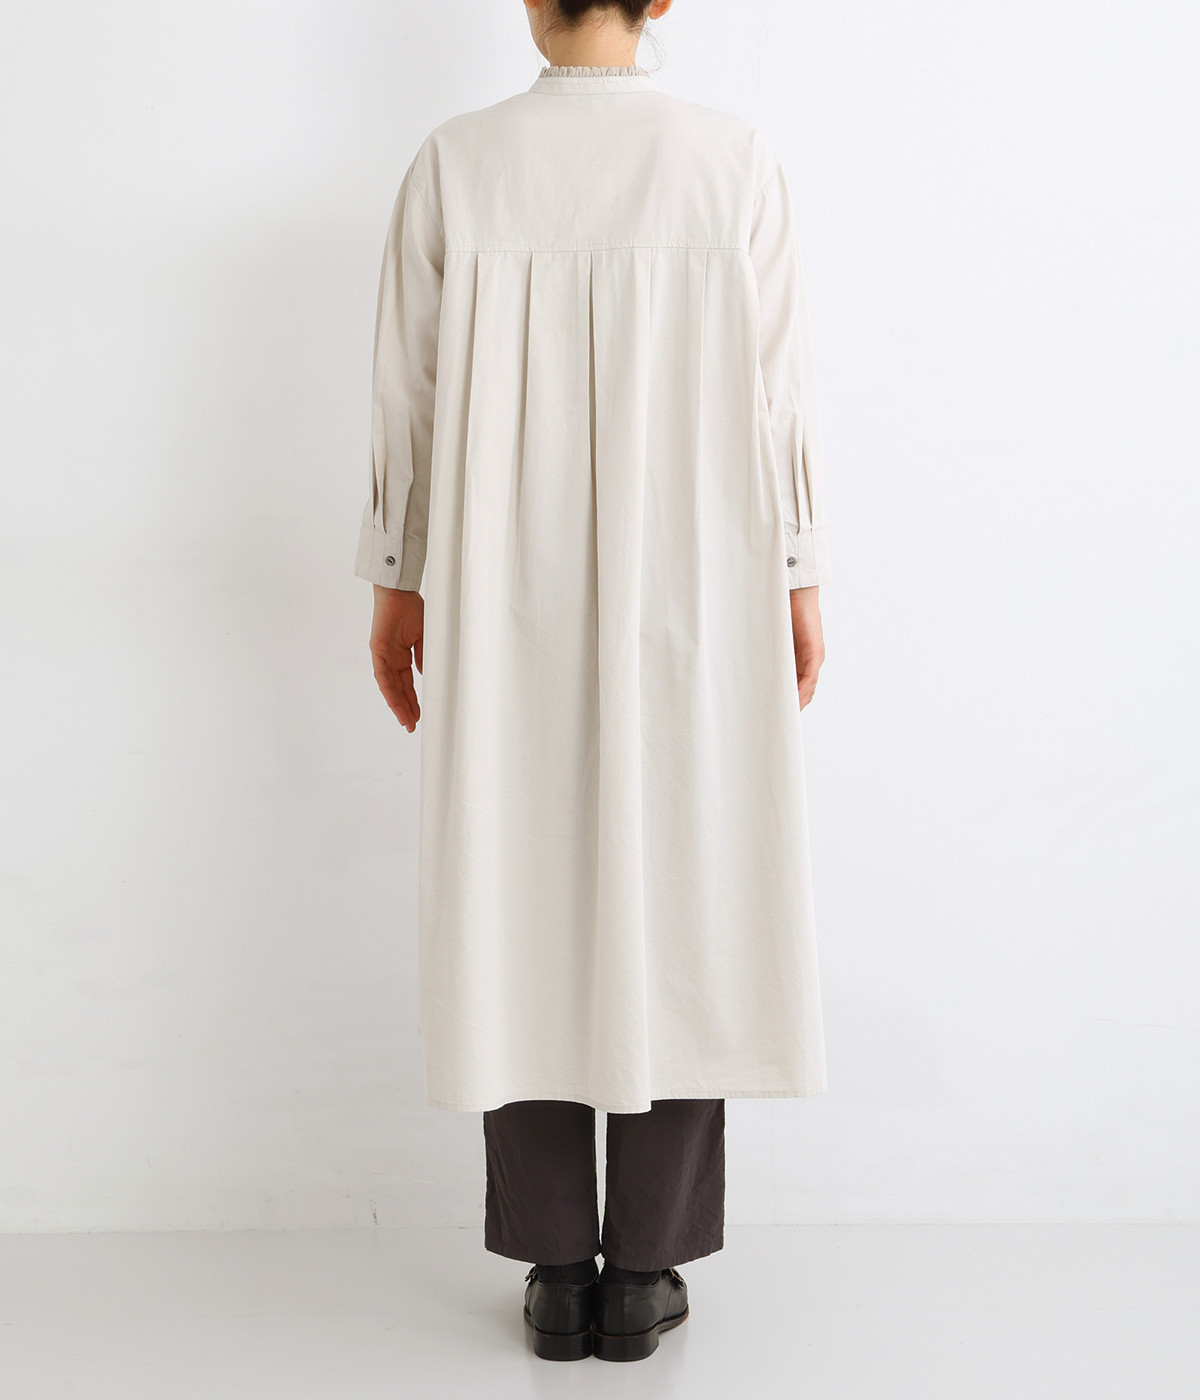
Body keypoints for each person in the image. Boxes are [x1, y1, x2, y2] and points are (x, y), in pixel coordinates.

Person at [353, 0, 832, 1364]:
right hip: (698, 580)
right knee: (682, 879)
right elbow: (776, 397)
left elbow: (407, 397)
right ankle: (646, 1271)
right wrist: (798, 571)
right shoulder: (733, 162)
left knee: (521, 884)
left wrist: (396, 578)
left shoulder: (457, 163)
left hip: (501, 581)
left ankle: (558, 1268)